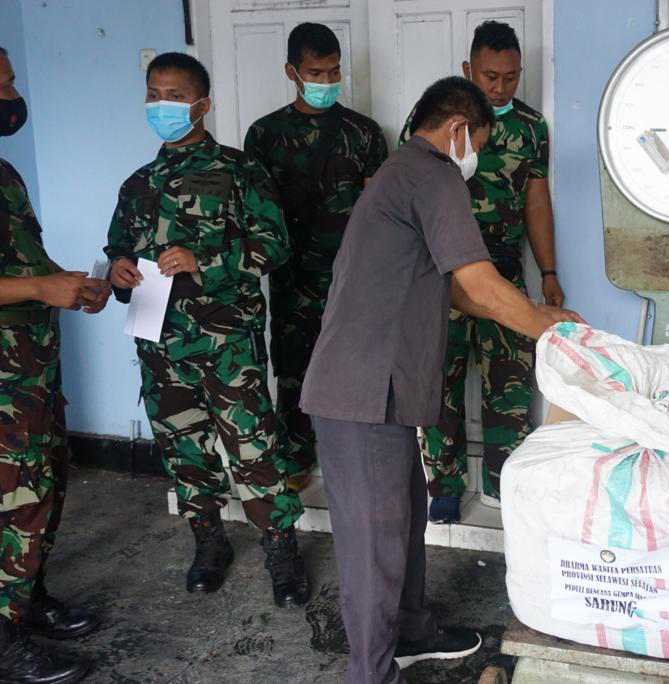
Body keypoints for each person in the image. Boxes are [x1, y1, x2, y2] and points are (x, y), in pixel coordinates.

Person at [301, 76, 582, 684]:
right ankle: (371, 674)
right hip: (360, 391)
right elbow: (478, 280)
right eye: (478, 143)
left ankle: (412, 632)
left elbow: (456, 290)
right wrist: (545, 328)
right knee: (373, 546)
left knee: (405, 518)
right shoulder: (433, 174)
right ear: (458, 130)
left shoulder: (402, 173)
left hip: (379, 390)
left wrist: (540, 319)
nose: (475, 158)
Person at [104, 53, 310, 609]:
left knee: (255, 448)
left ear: (202, 105)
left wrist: (205, 261)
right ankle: (208, 542)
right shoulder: (137, 184)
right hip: (159, 344)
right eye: (153, 95)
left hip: (227, 344)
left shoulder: (239, 172)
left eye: (173, 97)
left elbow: (275, 245)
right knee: (184, 450)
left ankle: (281, 548)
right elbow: (118, 249)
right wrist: (118, 270)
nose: (161, 106)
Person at [399, 21, 562, 521]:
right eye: (490, 77)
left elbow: (537, 201)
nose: (500, 87)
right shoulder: (435, 123)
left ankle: (504, 484)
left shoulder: (531, 128)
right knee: (438, 381)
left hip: (502, 273)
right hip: (442, 275)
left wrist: (549, 271)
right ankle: (444, 485)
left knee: (510, 384)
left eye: (511, 77)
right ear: (469, 69)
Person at [0, 46, 111, 683]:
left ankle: (26, 597)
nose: (14, 97)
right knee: (11, 498)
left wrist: (69, 284)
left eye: (12, 81)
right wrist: (41, 289)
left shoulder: (6, 174)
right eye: (3, 85)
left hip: (32, 371)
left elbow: (26, 264)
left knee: (43, 487)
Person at [244, 23, 387, 489]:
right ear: (291, 72)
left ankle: (356, 463)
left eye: (333, 72)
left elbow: (377, 212)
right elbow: (256, 212)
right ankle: (296, 460)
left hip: (352, 278)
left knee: (358, 370)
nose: (327, 82)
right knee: (293, 372)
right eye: (315, 73)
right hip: (292, 277)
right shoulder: (265, 134)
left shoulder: (363, 133)